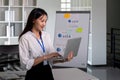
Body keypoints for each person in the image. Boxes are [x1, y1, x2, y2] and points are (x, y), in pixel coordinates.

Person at [19, 8, 73, 80]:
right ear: (33, 20)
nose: (44, 24)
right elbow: (25, 64)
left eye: (45, 21)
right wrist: (45, 57)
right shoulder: (25, 38)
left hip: (47, 72)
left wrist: (65, 59)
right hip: (34, 74)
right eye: (42, 21)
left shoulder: (46, 35)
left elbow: (51, 59)